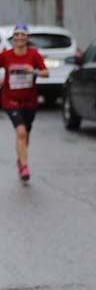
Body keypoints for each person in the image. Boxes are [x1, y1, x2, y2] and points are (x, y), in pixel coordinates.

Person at [1, 23, 48, 182]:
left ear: (27, 38)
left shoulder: (34, 55)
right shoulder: (6, 55)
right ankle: (24, 166)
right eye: (17, 35)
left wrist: (33, 71)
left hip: (30, 102)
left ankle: (21, 159)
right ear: (13, 38)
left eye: (23, 35)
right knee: (20, 132)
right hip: (10, 100)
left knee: (25, 135)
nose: (19, 37)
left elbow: (46, 73)